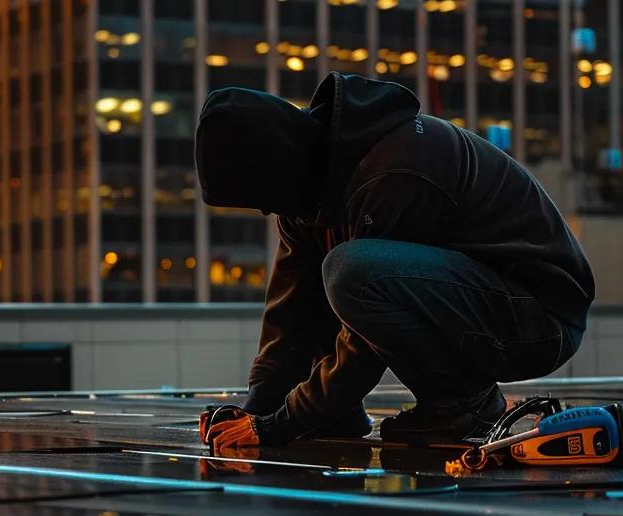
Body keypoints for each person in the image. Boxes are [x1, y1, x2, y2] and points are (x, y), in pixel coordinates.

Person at [196, 73, 594, 449]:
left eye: (262, 197)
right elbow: (290, 308)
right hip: (482, 298)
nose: (267, 211)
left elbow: (363, 342)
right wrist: (255, 408)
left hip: (539, 318)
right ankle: (340, 414)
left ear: (279, 166)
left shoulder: (393, 171)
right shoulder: (309, 187)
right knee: (333, 274)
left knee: (348, 272)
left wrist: (278, 424)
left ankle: (463, 404)